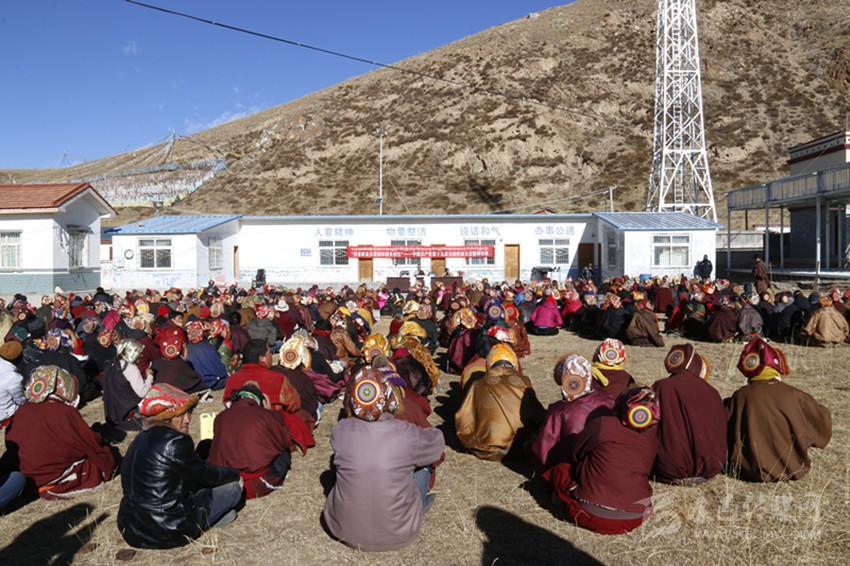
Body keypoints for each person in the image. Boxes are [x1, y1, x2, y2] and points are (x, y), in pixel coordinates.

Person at [323, 367, 445, 551]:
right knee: (424, 466)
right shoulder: (406, 433)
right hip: (399, 534)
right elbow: (437, 445)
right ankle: (418, 505)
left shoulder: (341, 430)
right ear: (388, 396)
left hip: (342, 530)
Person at [117, 384, 242, 548]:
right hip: (169, 529)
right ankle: (212, 518)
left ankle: (214, 517)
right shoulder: (175, 441)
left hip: (132, 528)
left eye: (189, 413)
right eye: (181, 414)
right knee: (233, 489)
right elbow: (207, 476)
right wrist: (234, 474)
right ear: (167, 416)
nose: (188, 419)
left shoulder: (139, 439)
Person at [549, 386, 660, 535]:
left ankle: (560, 501)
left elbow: (576, 453)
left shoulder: (603, 424)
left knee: (560, 470)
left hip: (590, 515)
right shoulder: (653, 439)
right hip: (634, 518)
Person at [725, 338, 832, 482]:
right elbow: (822, 426)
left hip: (748, 471)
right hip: (792, 468)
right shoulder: (795, 395)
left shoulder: (739, 396)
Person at [2, 365, 116, 500]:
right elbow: (88, 443)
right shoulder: (63, 412)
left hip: (26, 475)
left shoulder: (21, 411)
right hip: (49, 476)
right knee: (92, 468)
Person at [527, 354, 614, 478]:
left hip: (579, 470)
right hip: (607, 461)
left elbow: (543, 451)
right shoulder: (607, 397)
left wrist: (530, 445)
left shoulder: (560, 411)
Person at [455, 344, 545, 461]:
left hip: (486, 447)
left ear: (489, 363)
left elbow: (464, 417)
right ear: (514, 362)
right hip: (520, 445)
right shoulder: (524, 381)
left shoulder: (478, 384)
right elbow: (536, 413)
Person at [652, 344, 727, 484]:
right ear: (696, 365)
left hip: (670, 468)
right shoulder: (711, 391)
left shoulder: (662, 386)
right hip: (711, 466)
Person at [208, 384, 293, 499]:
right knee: (283, 455)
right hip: (255, 483)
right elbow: (284, 442)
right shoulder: (266, 415)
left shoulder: (220, 416)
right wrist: (269, 412)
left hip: (223, 480)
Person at [101, 338, 154, 431]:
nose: (141, 355)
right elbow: (142, 392)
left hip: (112, 412)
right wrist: (150, 377)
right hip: (126, 410)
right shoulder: (130, 368)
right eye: (139, 353)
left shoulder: (112, 364)